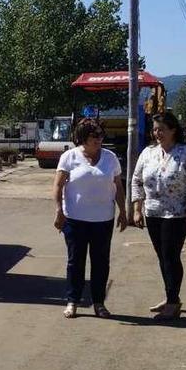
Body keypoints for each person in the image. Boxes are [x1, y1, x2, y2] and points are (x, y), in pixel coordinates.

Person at [131, 112, 186, 320]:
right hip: (153, 212)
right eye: (155, 129)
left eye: (161, 129)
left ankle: (173, 302)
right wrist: (137, 208)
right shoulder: (148, 153)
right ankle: (171, 296)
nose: (157, 133)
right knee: (162, 257)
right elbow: (136, 180)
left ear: (173, 130)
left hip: (176, 214)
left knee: (171, 257)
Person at [53, 118, 127, 319]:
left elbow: (118, 187)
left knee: (101, 262)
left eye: (101, 135)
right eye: (94, 136)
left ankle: (99, 302)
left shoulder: (110, 158)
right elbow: (58, 186)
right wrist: (59, 211)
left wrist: (123, 211)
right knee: (75, 261)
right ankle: (72, 301)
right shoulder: (69, 157)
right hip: (75, 219)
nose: (99, 139)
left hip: (103, 220)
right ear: (83, 138)